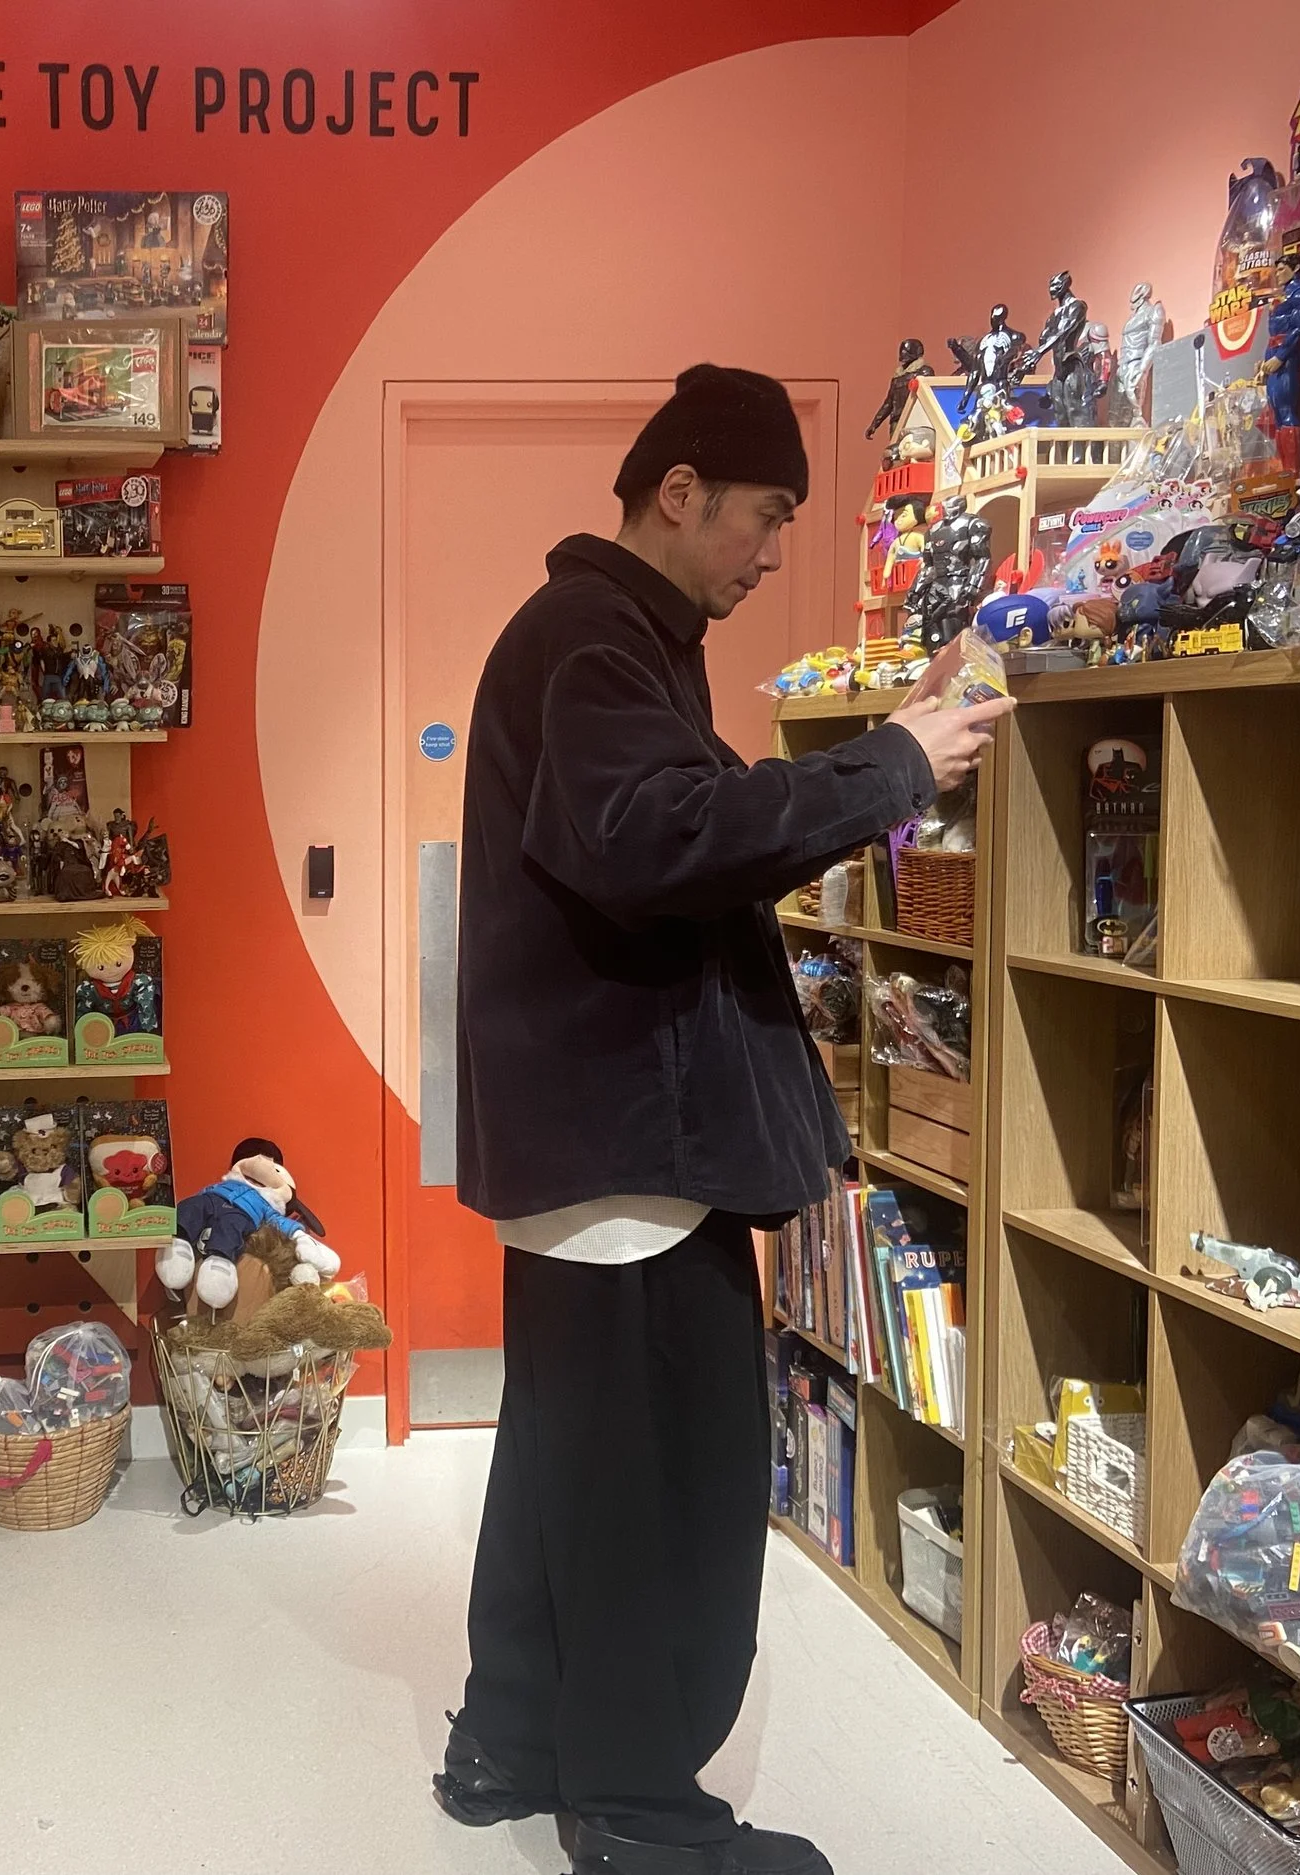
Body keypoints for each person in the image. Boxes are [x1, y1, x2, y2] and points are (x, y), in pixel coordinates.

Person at [435, 364, 1012, 1875]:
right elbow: (659, 838)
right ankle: (635, 1813)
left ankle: (509, 1744)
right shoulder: (594, 642)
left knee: (570, 1452)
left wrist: (883, 744)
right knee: (667, 1490)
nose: (773, 552)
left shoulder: (614, 640)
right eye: (766, 515)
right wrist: (888, 766)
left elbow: (662, 827)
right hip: (633, 1144)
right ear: (679, 491)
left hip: (598, 1142)